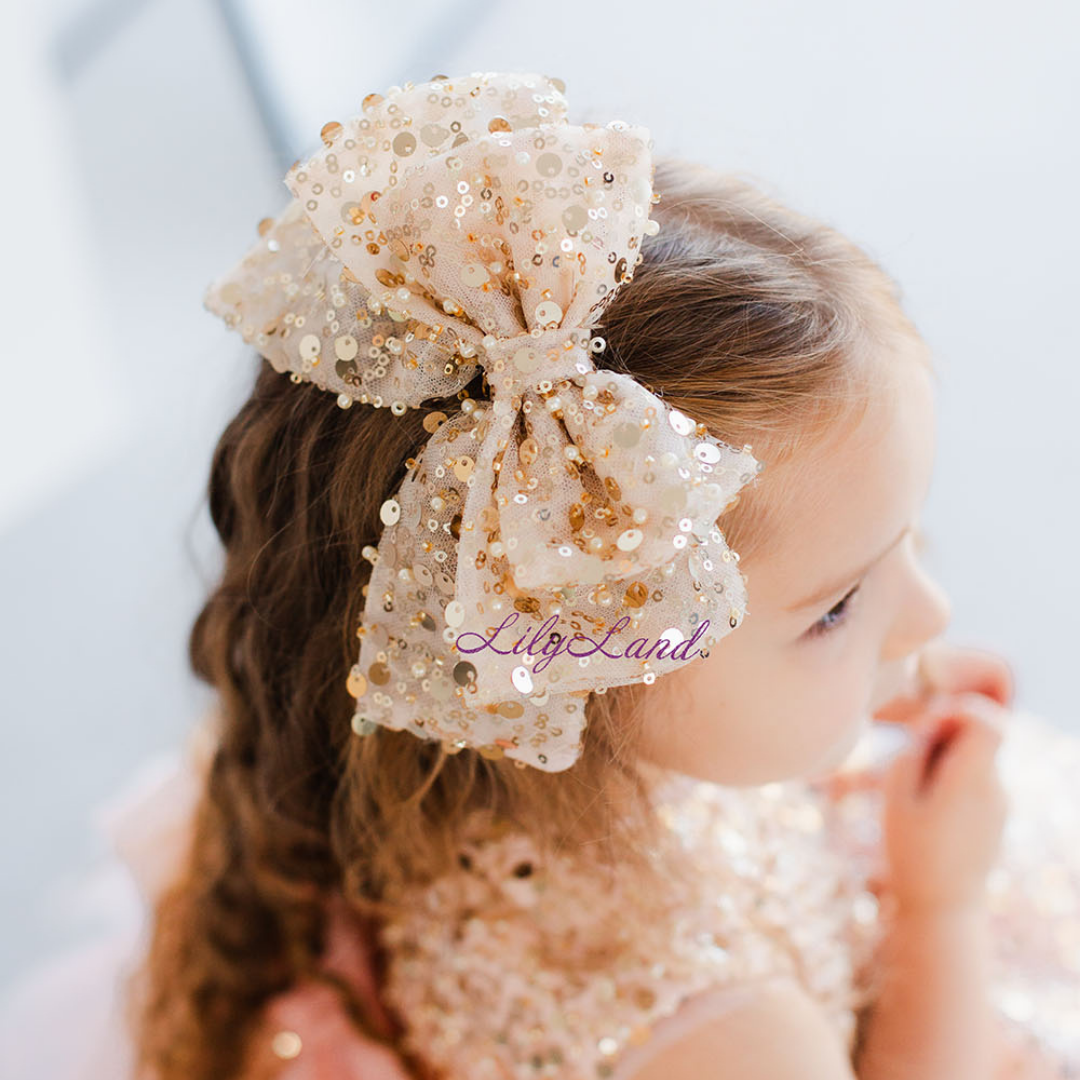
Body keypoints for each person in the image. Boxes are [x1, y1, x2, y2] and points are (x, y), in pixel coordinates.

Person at [2, 70, 1077, 1080]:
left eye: (906, 548)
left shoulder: (422, 731)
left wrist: (861, 690)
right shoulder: (740, 1040)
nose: (925, 617)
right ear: (587, 657)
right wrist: (941, 904)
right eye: (839, 605)